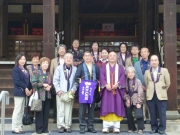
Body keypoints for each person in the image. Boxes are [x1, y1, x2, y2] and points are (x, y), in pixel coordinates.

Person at [99, 51, 126, 133]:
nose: (112, 57)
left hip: (117, 91)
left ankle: (116, 127)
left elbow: (122, 77)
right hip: (106, 92)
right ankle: (106, 127)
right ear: (108, 57)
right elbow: (101, 77)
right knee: (106, 106)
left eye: (114, 56)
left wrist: (117, 84)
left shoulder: (120, 68)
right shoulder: (103, 68)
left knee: (117, 106)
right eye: (110, 55)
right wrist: (105, 84)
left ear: (116, 57)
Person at [74, 51, 99, 134]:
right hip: (83, 92)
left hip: (92, 91)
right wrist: (81, 82)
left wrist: (97, 83)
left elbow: (99, 78)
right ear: (83, 58)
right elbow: (76, 78)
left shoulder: (95, 67)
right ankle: (82, 126)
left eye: (89, 56)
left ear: (92, 57)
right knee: (82, 110)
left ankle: (90, 126)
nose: (88, 57)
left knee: (91, 110)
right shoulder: (80, 67)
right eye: (86, 56)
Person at [144, 55, 170, 134]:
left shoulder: (164, 70)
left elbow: (168, 83)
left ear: (158, 61)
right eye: (152, 60)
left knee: (162, 113)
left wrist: (162, 90)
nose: (154, 62)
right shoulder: (147, 72)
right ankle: (154, 127)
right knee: (152, 112)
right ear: (150, 62)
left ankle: (162, 128)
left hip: (161, 95)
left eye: (155, 60)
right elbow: (146, 83)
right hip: (151, 95)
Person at [53, 53, 77, 133]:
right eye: (67, 57)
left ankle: (67, 125)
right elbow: (55, 80)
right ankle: (61, 126)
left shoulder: (75, 69)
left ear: (72, 59)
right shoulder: (59, 68)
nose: (69, 59)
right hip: (61, 92)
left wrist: (74, 89)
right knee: (60, 110)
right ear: (64, 59)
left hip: (70, 92)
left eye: (70, 58)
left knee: (68, 110)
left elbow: (76, 81)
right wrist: (58, 90)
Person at [12, 53, 32, 134]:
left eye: (24, 59)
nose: (23, 61)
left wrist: (30, 89)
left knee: (21, 111)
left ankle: (20, 126)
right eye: (21, 59)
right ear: (17, 60)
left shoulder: (26, 69)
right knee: (17, 110)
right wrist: (26, 88)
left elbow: (28, 81)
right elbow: (17, 81)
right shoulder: (16, 69)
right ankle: (14, 127)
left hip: (25, 92)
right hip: (19, 92)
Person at [31, 57, 53, 134]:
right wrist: (42, 84)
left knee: (46, 113)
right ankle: (39, 129)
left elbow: (51, 84)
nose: (45, 65)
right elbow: (33, 83)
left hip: (47, 95)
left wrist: (50, 87)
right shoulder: (36, 72)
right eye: (44, 63)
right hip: (40, 96)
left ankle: (45, 128)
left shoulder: (49, 74)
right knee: (39, 113)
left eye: (47, 63)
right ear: (41, 64)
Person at [124, 66, 144, 134]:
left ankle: (140, 128)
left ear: (134, 73)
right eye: (128, 72)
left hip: (136, 98)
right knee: (128, 113)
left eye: (132, 72)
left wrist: (139, 102)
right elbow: (124, 92)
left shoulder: (138, 81)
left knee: (138, 113)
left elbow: (140, 92)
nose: (130, 74)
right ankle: (132, 128)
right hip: (129, 99)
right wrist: (126, 99)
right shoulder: (125, 81)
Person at [50, 44, 67, 123]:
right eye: (60, 49)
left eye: (63, 49)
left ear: (65, 51)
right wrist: (53, 84)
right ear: (57, 51)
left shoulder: (69, 59)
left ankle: (65, 119)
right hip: (57, 84)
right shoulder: (53, 61)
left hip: (66, 84)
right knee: (56, 102)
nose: (61, 50)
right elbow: (51, 73)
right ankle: (55, 117)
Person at [134, 47, 150, 122]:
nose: (144, 53)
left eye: (145, 52)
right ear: (140, 54)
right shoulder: (136, 64)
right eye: (142, 52)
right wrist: (141, 86)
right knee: (141, 102)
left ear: (148, 53)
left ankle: (150, 118)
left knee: (150, 103)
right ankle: (143, 118)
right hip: (140, 86)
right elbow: (135, 75)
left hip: (150, 87)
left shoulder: (152, 62)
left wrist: (148, 86)